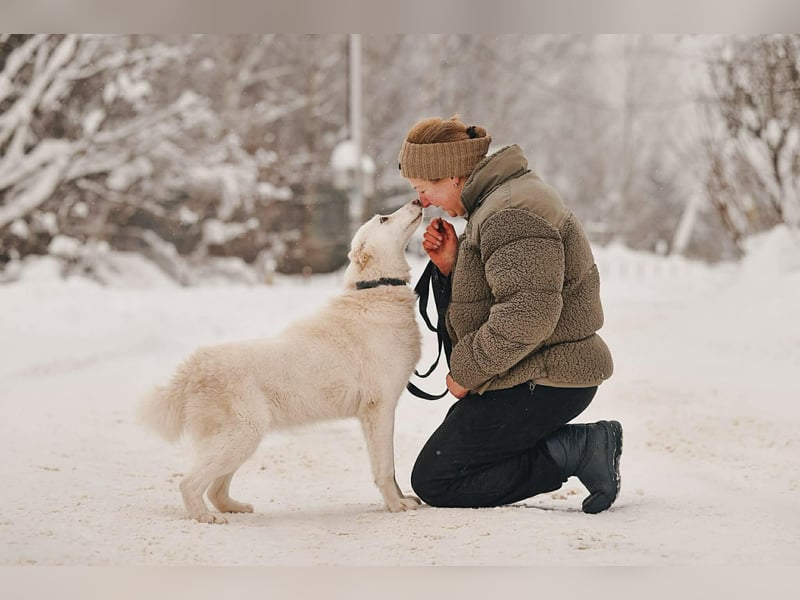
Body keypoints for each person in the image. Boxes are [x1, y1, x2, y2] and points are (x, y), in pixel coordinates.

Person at [398, 115, 622, 513]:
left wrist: (466, 371)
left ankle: (580, 450)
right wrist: (451, 267)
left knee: (440, 479)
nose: (424, 201)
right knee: (445, 466)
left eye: (423, 188)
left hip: (548, 379)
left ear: (451, 175)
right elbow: (497, 299)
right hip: (529, 373)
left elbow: (528, 313)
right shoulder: (497, 204)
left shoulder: (511, 210)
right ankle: (576, 448)